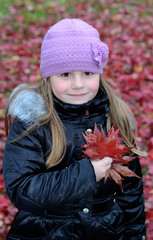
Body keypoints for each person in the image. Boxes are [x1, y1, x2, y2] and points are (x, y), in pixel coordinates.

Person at [3, 18, 146, 240]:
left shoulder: (114, 118)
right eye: (66, 74)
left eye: (88, 73)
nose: (78, 84)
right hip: (43, 232)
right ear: (49, 76)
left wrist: (136, 235)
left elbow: (131, 192)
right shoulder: (32, 122)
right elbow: (22, 189)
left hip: (107, 231)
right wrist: (87, 174)